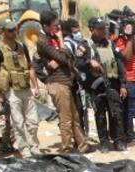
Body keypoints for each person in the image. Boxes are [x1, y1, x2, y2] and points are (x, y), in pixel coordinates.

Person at [37, 10, 89, 154]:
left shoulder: (51, 37)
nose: (58, 28)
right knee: (66, 119)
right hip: (57, 83)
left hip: (66, 82)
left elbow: (68, 58)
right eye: (55, 25)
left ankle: (82, 146)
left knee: (75, 117)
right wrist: (61, 43)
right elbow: (62, 58)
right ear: (46, 25)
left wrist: (62, 55)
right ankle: (66, 150)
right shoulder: (43, 40)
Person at [0, 19, 41, 157]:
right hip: (11, 90)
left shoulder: (22, 47)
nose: (14, 32)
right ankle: (25, 150)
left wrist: (36, 86)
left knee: (33, 121)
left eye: (15, 29)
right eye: (10, 30)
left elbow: (30, 67)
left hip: (26, 88)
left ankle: (34, 146)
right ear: (3, 31)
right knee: (18, 123)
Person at [77, 16, 126, 152]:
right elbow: (77, 63)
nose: (103, 31)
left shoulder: (110, 44)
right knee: (100, 115)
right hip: (96, 87)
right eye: (100, 28)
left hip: (113, 84)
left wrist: (122, 84)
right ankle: (104, 143)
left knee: (116, 114)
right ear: (92, 29)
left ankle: (118, 141)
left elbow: (120, 64)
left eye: (104, 28)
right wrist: (89, 62)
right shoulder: (85, 45)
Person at [114, 16, 135, 146]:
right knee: (129, 110)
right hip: (127, 79)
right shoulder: (119, 41)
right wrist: (128, 38)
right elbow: (127, 56)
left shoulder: (130, 39)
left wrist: (132, 36)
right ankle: (129, 137)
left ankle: (130, 133)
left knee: (134, 109)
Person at [62, 18, 89, 139]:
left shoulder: (79, 42)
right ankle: (78, 137)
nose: (78, 30)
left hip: (81, 79)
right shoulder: (68, 43)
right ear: (69, 30)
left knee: (82, 109)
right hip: (74, 80)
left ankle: (83, 135)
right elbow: (71, 63)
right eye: (75, 28)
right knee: (77, 110)